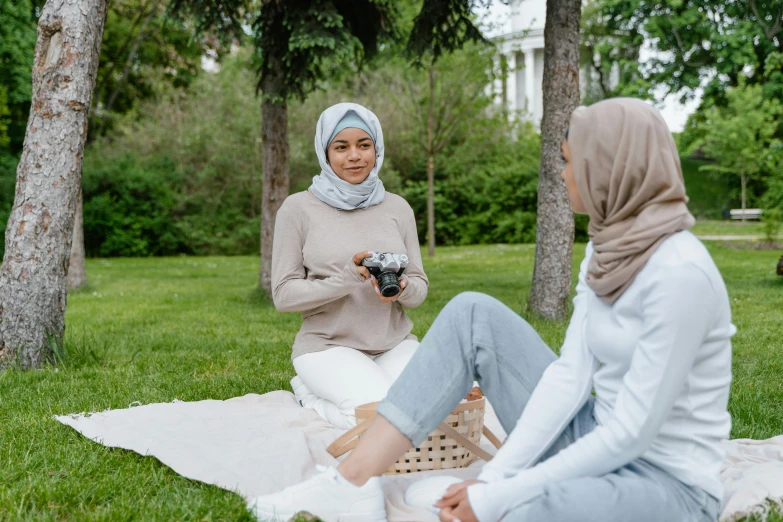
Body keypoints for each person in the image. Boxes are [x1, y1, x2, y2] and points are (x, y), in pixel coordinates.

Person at [251, 98, 734, 522]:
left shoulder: (680, 273)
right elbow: (568, 376)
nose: (560, 175)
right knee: (471, 312)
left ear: (609, 168)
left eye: (570, 163)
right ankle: (348, 486)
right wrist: (499, 474)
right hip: (592, 434)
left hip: (663, 481)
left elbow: (632, 433)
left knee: (521, 511)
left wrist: (500, 491)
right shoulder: (607, 248)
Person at [272, 102, 428, 430]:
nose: (354, 156)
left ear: (377, 149)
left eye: (364, 145)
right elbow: (283, 295)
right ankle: (309, 398)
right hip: (327, 347)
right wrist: (345, 279)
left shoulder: (398, 208)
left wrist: (401, 289)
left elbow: (419, 287)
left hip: (395, 344)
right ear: (325, 152)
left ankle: (348, 397)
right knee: (382, 421)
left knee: (428, 412)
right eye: (341, 147)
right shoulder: (298, 209)